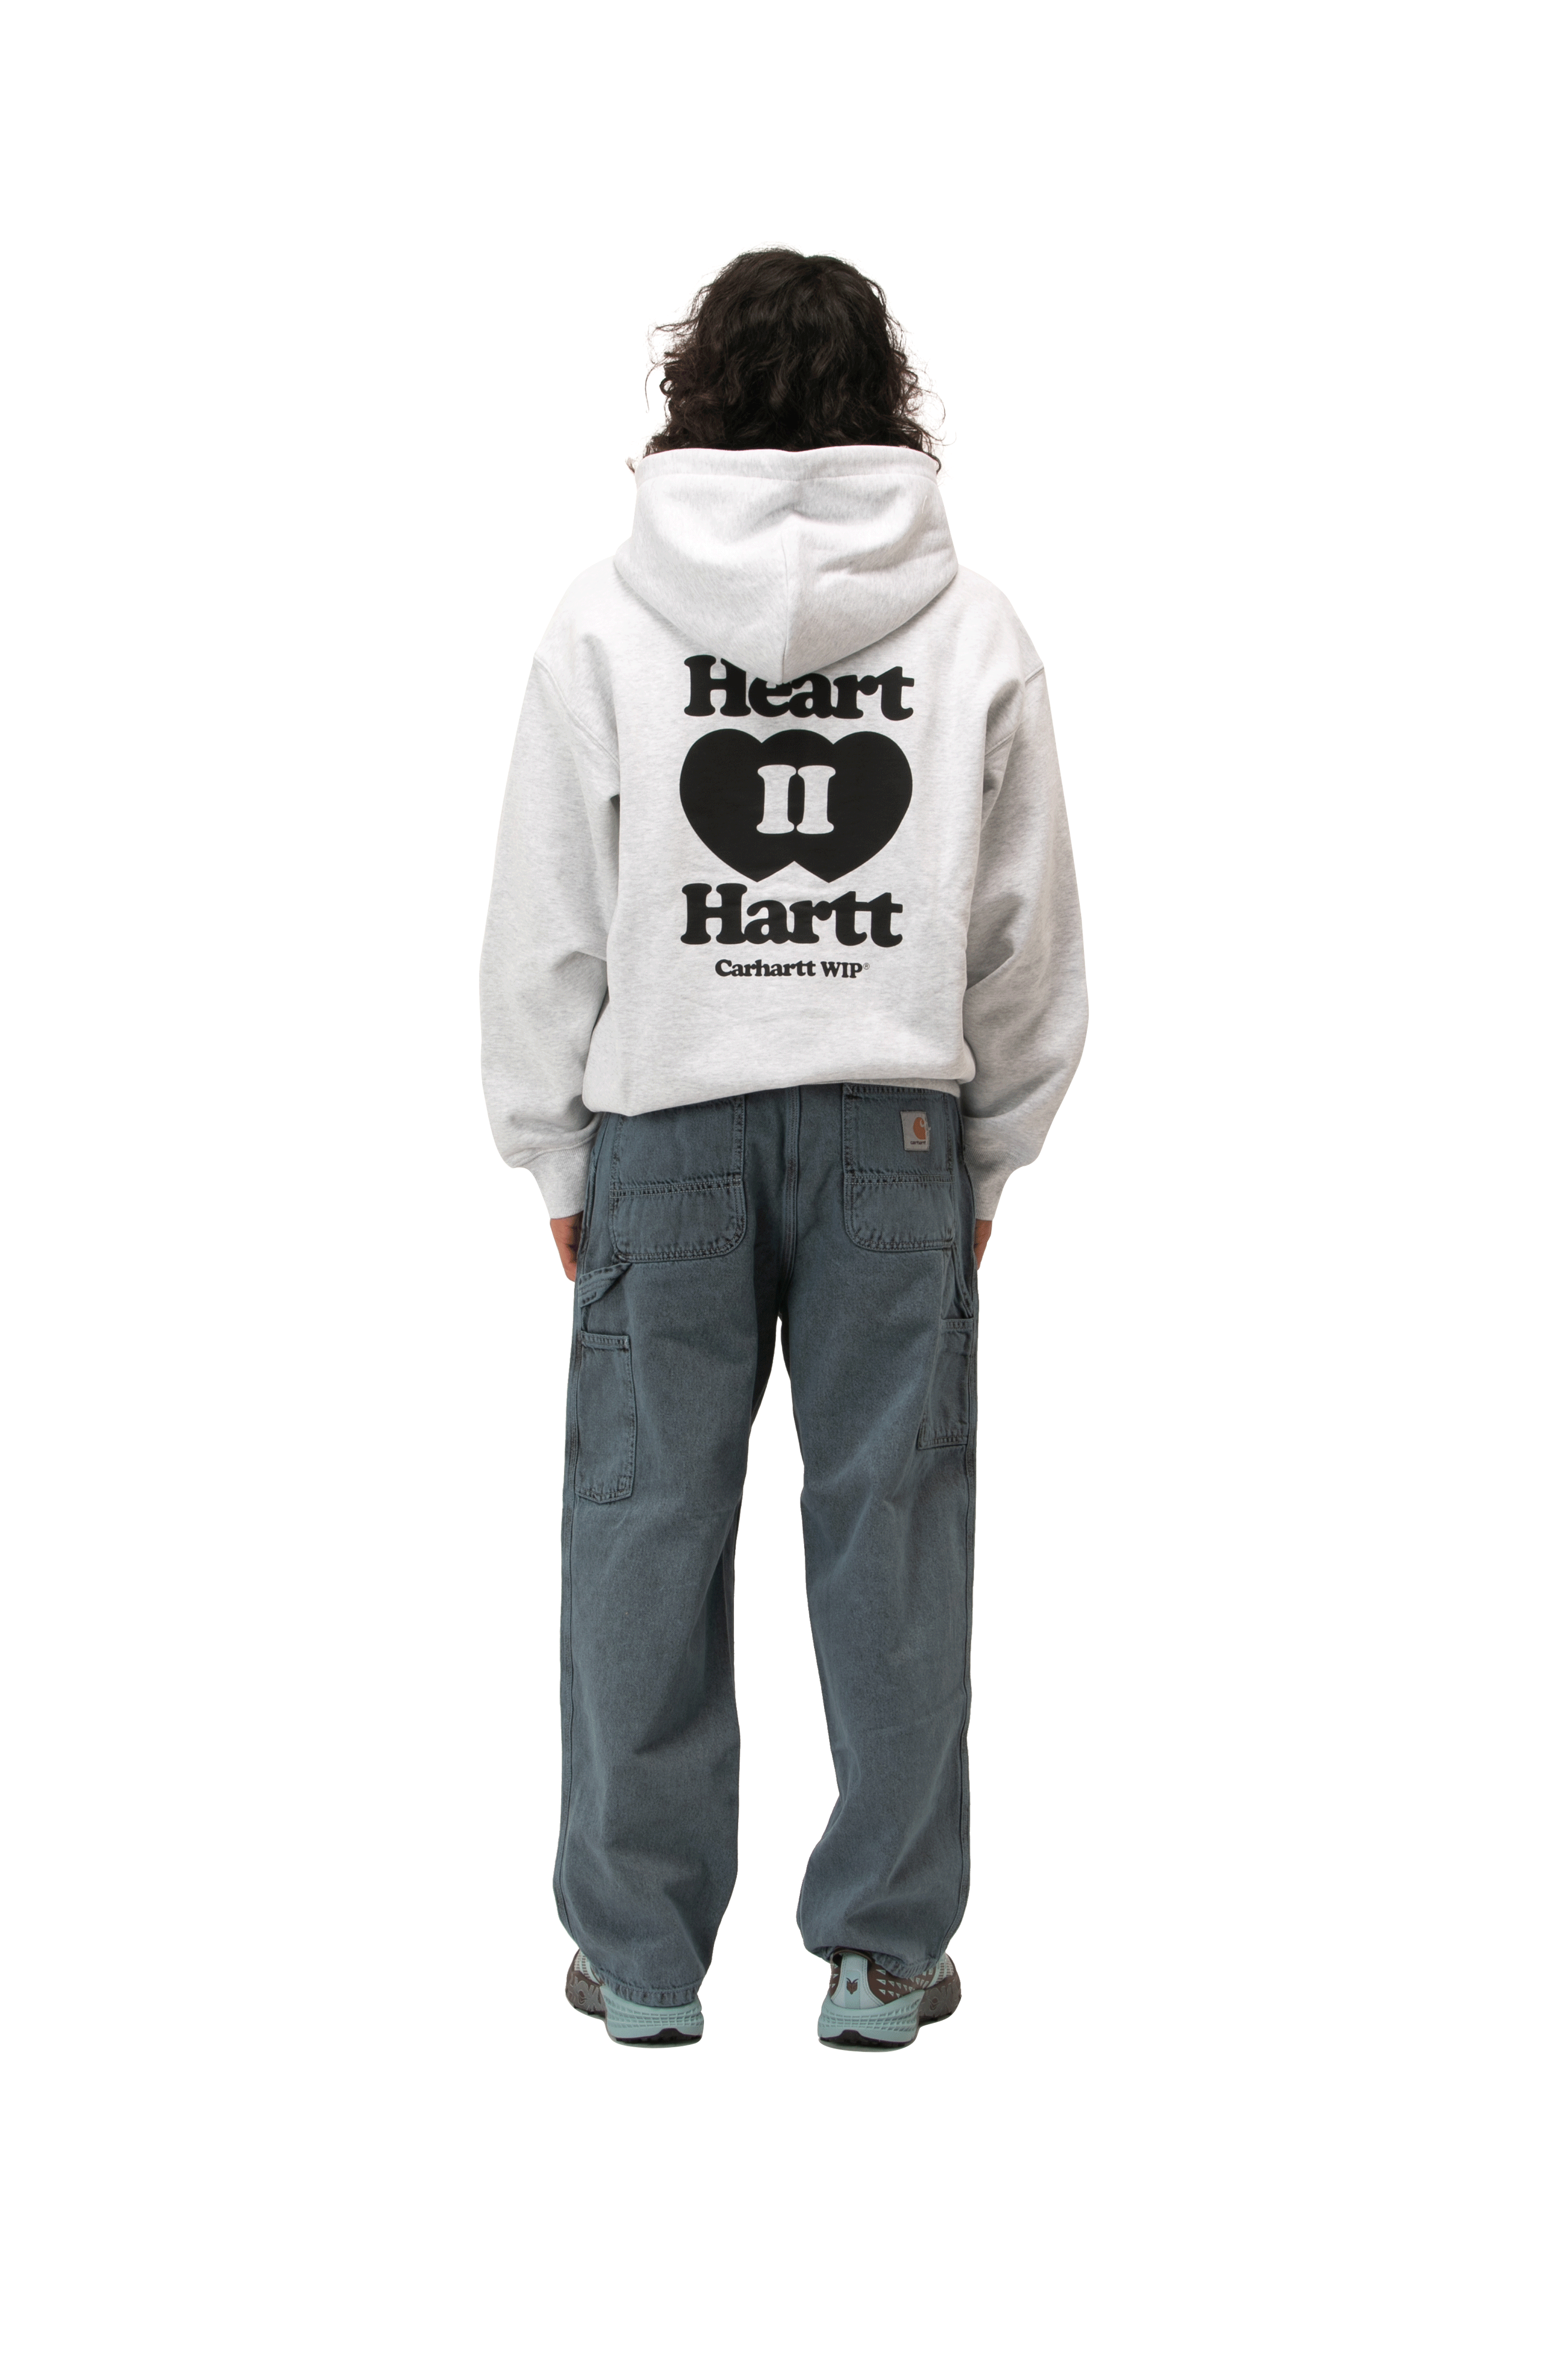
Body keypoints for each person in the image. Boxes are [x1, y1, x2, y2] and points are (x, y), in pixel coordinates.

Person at [480, 249, 1087, 2049]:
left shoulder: (606, 622)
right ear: (886, 398)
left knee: (641, 1532)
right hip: (894, 1133)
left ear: (697, 390)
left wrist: (555, 1151)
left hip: (665, 1124)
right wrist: (986, 1157)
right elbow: (1025, 931)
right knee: (895, 1537)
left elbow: (548, 916)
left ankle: (643, 1957)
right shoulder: (972, 630)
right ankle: (886, 1953)